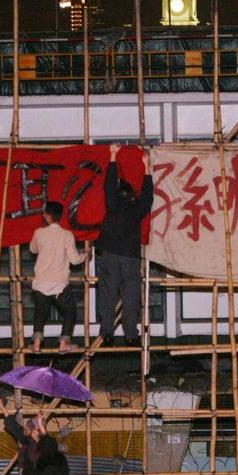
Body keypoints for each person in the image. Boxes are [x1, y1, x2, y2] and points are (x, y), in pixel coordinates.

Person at [95, 144, 154, 347]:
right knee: (130, 297)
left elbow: (108, 185)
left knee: (107, 297)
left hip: (110, 254)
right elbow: (148, 197)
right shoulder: (136, 210)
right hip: (130, 256)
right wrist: (147, 167)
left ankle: (107, 333)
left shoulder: (111, 206)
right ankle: (131, 335)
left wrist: (112, 155)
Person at [29, 201, 86, 354]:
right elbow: (74, 260)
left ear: (46, 215)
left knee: (40, 313)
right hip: (59, 283)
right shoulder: (67, 235)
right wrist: (85, 256)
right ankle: (63, 344)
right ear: (60, 216)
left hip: (41, 281)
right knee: (70, 312)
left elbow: (32, 249)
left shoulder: (39, 233)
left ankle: (36, 345)